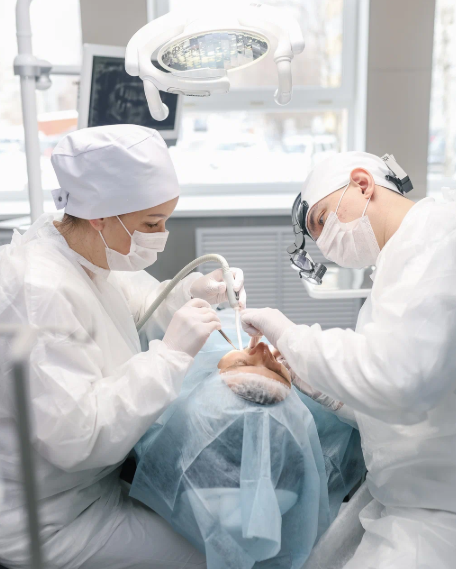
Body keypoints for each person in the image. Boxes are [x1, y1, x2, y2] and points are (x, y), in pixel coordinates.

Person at [0, 124, 247, 569]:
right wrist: (169, 357)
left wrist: (193, 290)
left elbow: (137, 302)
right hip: (56, 520)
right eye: (151, 224)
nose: (161, 235)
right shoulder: (39, 293)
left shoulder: (77, 249)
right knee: (210, 558)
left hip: (93, 487)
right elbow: (78, 437)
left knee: (218, 524)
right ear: (99, 216)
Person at [241, 151, 456, 569]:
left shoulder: (437, 239)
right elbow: (404, 391)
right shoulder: (402, 258)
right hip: (409, 489)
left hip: (437, 507)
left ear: (362, 184)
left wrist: (289, 334)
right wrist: (324, 390)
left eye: (322, 220)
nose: (324, 242)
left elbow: (401, 379)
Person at [129, 318, 365, 569]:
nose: (263, 348)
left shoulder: (191, 416)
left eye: (243, 362)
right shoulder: (299, 433)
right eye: (273, 366)